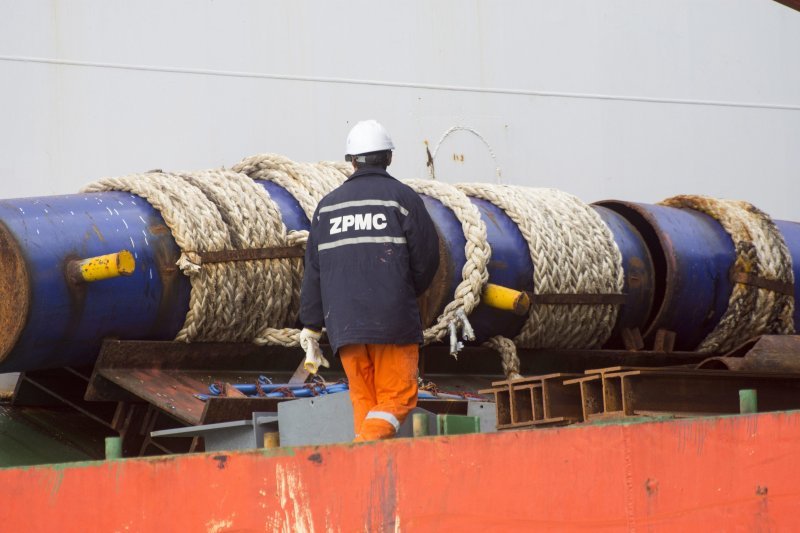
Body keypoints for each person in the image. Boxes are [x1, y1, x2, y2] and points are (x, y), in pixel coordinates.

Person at [298, 119, 440, 441]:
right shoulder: (403, 199)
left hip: (344, 327)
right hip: (392, 322)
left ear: (352, 161)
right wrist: (402, 294)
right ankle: (361, 450)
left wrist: (311, 324)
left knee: (366, 401)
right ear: (388, 158)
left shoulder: (327, 208)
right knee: (398, 397)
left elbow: (314, 272)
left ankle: (366, 474)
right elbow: (428, 260)